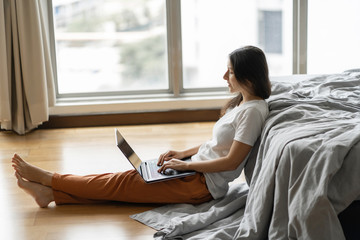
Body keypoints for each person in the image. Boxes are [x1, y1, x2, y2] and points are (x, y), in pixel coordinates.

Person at [12, 45, 271, 208]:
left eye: (230, 72)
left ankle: (49, 179)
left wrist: (186, 165)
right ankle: (51, 194)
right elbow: (218, 145)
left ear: (248, 77)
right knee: (123, 184)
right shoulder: (242, 104)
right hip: (191, 173)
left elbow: (230, 162)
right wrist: (182, 154)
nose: (224, 77)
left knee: (120, 183)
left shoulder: (253, 112)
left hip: (200, 185)